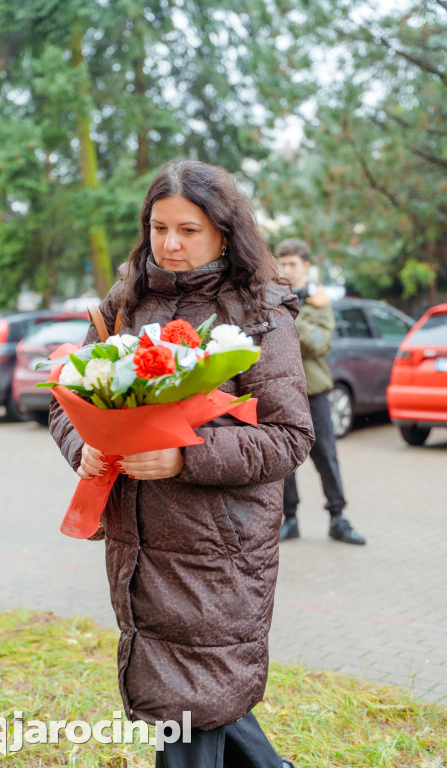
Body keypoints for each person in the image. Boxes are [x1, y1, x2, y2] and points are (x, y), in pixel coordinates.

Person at [49, 160, 314, 767]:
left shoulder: (257, 311)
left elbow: (289, 437)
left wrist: (183, 457)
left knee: (188, 705)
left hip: (219, 552)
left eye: (188, 230)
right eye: (158, 226)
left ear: (225, 232)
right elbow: (69, 404)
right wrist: (84, 446)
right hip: (138, 544)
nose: (169, 244)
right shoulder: (126, 301)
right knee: (199, 695)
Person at [275, 238, 366, 546]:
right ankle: (291, 520)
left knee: (326, 455)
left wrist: (288, 314)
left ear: (305, 267)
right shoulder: (272, 299)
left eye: (292, 264)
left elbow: (318, 344)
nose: (286, 269)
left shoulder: (318, 303)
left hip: (314, 392)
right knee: (284, 460)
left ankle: (338, 518)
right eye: (282, 263)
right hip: (280, 391)